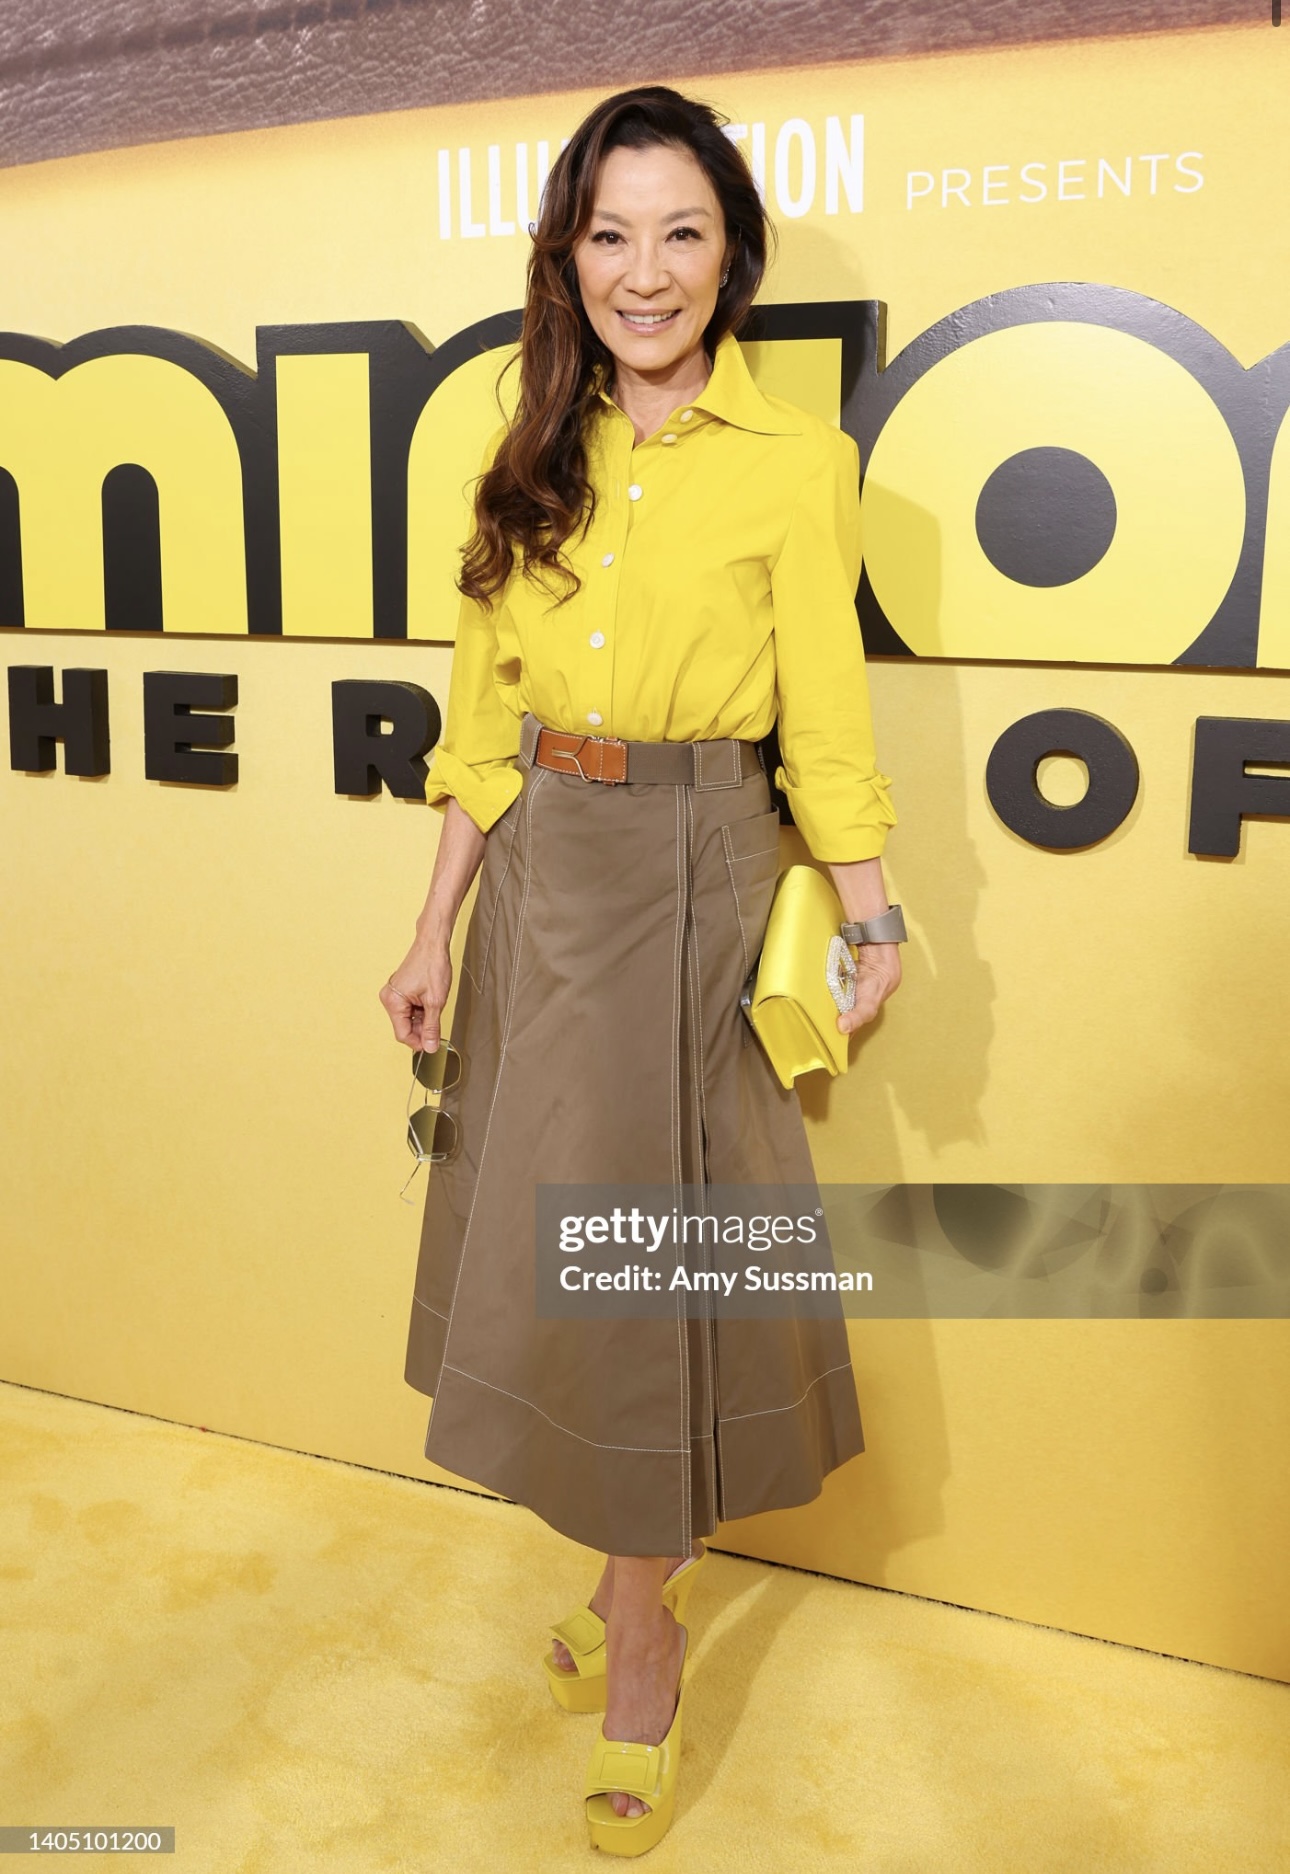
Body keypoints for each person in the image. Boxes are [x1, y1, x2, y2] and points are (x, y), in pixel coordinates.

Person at [380, 83, 902, 1855]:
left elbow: (822, 714)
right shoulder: (523, 439)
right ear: (568, 254)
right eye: (611, 233)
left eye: (682, 232)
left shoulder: (794, 460)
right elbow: (482, 719)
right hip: (543, 870)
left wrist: (871, 909)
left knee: (643, 1268)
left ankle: (638, 1633)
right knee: (578, 1254)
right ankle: (631, 1589)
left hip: (699, 873)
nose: (646, 271)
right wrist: (431, 922)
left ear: (731, 254)